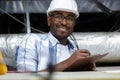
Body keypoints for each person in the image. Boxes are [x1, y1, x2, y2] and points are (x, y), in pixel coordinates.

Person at [15, 0, 96, 72]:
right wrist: (68, 63)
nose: (64, 22)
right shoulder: (32, 41)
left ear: (74, 23)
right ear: (49, 20)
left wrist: (84, 68)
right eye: (59, 17)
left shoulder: (73, 49)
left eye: (70, 18)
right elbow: (25, 76)